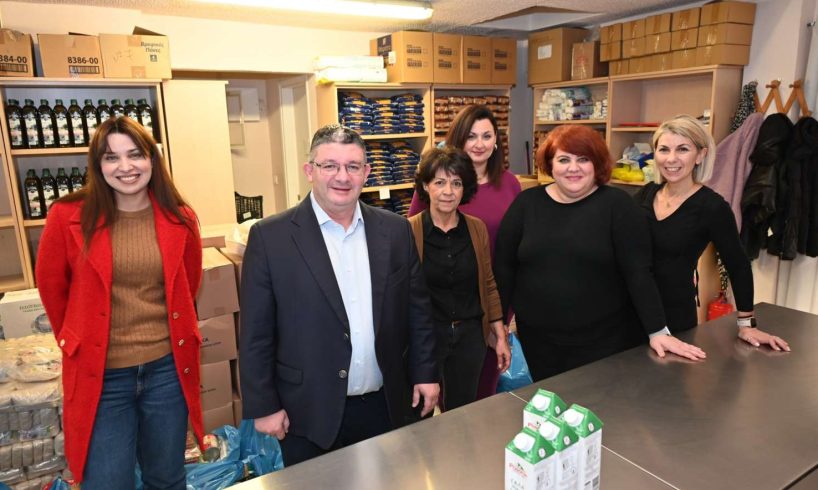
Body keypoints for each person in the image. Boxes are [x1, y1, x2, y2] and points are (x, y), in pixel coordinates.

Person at [239, 124, 440, 467]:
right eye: (330, 165)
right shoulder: (270, 238)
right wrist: (264, 405)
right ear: (309, 171)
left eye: (352, 166)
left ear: (367, 173)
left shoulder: (395, 231)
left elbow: (417, 311)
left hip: (385, 404)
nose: (342, 177)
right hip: (307, 412)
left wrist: (425, 373)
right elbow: (256, 332)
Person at [36, 117, 203, 489]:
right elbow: (52, 289)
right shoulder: (67, 216)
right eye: (111, 157)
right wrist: (79, 338)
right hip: (102, 376)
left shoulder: (181, 217)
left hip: (166, 371)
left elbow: (188, 286)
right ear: (98, 165)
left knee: (166, 478)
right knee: (107, 481)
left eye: (135, 154)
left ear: (152, 159)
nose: (125, 167)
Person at [494, 125, 705, 381]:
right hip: (539, 340)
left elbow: (638, 273)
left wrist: (658, 331)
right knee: (551, 399)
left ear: (597, 164)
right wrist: (498, 324)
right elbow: (504, 267)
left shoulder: (618, 206)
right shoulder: (526, 204)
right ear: (550, 164)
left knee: (597, 401)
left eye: (583, 159)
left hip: (604, 341)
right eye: (564, 160)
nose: (573, 168)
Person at [634, 114, 789, 351]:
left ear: (700, 155)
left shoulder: (712, 207)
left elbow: (738, 264)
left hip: (672, 316)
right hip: (630, 310)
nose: (671, 158)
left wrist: (747, 324)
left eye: (683, 149)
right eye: (664, 149)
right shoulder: (646, 194)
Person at [408, 104, 521, 400]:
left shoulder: (509, 185)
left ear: (496, 141)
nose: (479, 144)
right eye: (471, 136)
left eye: (487, 136)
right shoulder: (425, 202)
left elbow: (516, 244)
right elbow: (413, 247)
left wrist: (500, 320)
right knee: (425, 394)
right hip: (434, 309)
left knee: (477, 390)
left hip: (485, 301)